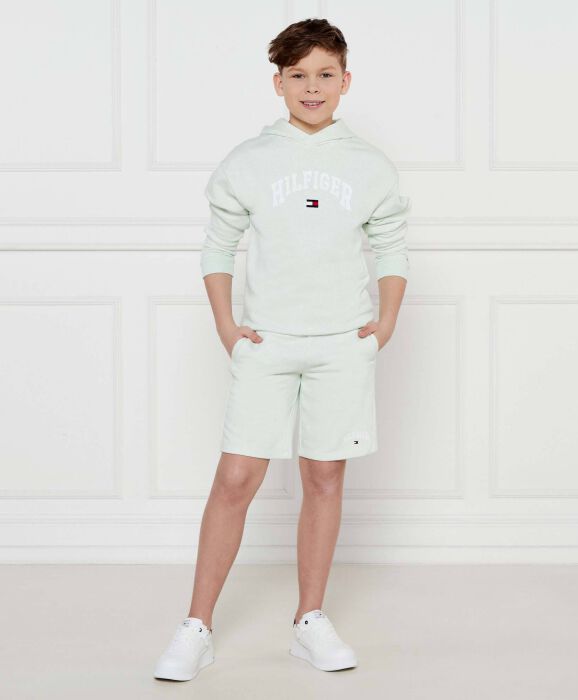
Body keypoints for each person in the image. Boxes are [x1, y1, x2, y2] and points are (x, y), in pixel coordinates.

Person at [154, 17, 410, 681]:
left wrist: (383, 324)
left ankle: (309, 620)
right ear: (278, 83)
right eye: (298, 75)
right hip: (267, 343)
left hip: (341, 345)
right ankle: (197, 625)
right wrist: (227, 326)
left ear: (346, 80)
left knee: (324, 476)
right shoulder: (250, 160)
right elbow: (218, 247)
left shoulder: (369, 165)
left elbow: (391, 246)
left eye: (325, 74)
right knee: (237, 477)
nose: (312, 87)